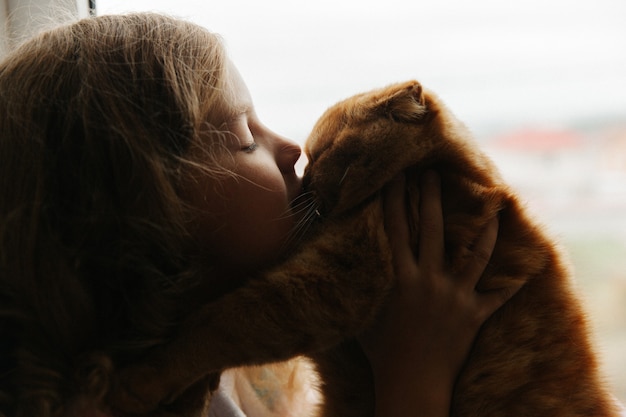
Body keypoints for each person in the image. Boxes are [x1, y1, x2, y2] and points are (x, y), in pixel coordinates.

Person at [0, 12, 518, 417]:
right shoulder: (110, 403)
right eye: (245, 136)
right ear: (147, 201)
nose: (294, 148)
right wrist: (414, 380)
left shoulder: (238, 376)